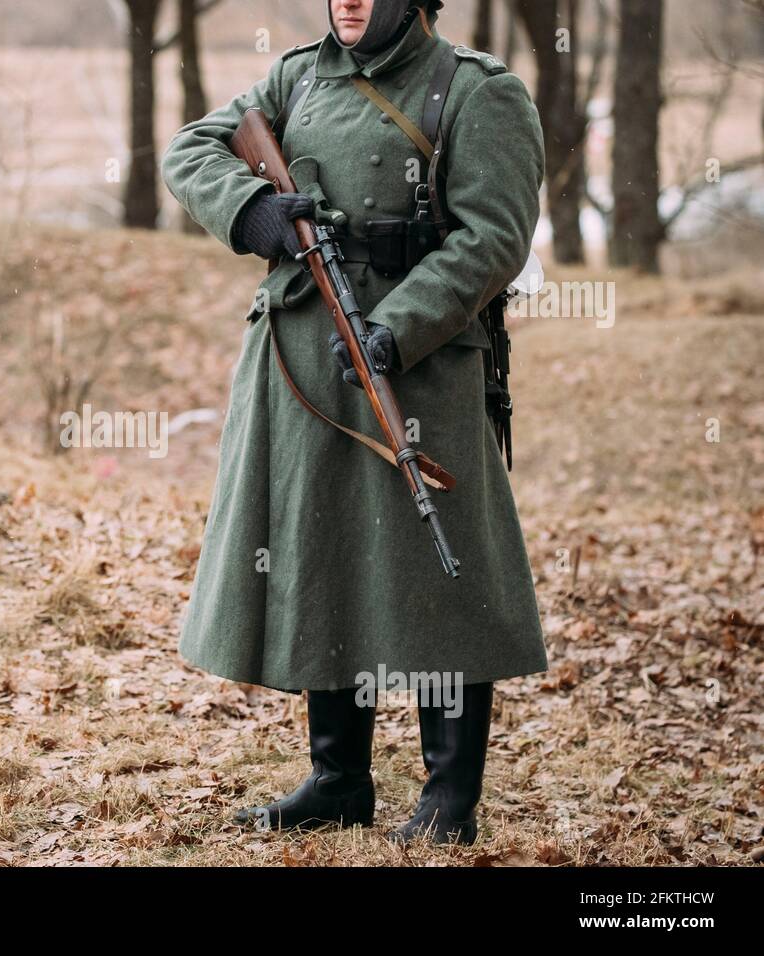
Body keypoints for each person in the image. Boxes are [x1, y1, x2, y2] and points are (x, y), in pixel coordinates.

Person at [158, 0, 550, 845]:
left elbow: (494, 238)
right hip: (304, 356)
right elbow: (190, 148)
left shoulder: (477, 92)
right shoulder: (298, 74)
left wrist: (395, 330)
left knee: (444, 573)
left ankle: (450, 799)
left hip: (422, 366)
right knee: (323, 551)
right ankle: (340, 780)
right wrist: (253, 210)